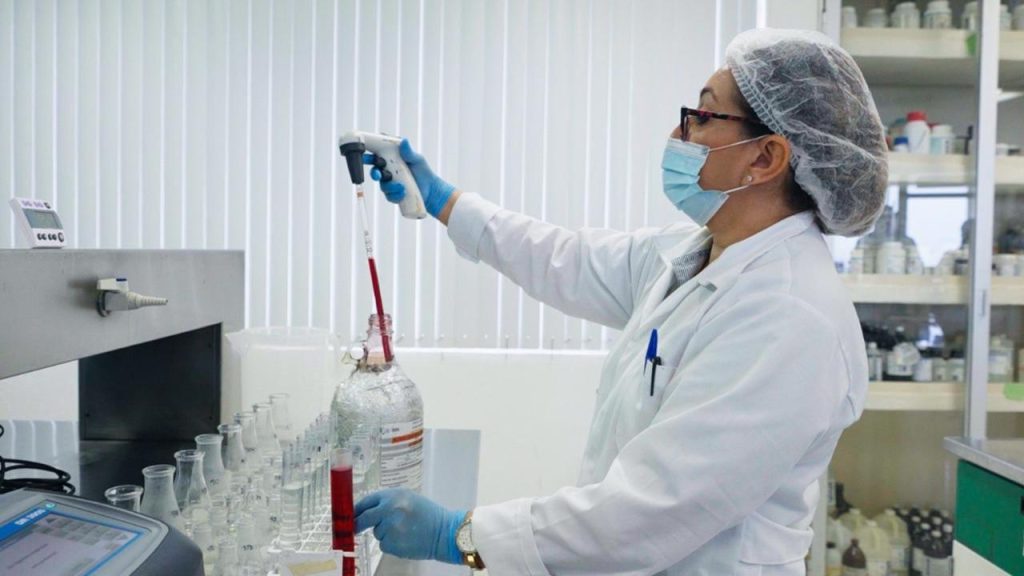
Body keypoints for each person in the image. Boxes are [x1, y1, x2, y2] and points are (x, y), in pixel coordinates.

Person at [354, 28, 887, 575]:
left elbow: (652, 510)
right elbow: (566, 259)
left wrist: (458, 535)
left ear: (766, 156)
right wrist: (445, 201)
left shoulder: (790, 318)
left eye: (702, 117)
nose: (677, 134)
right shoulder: (699, 252)